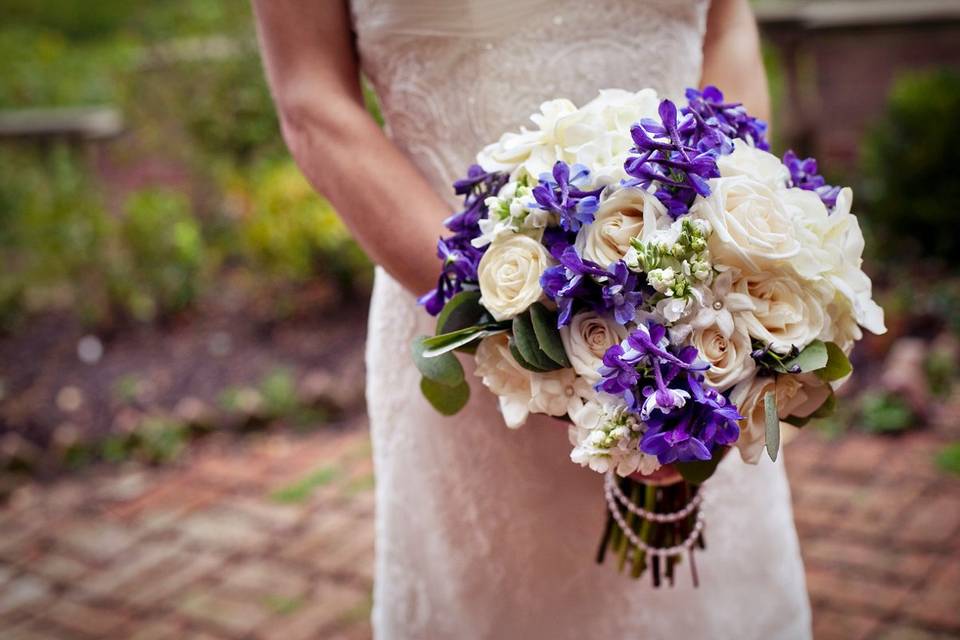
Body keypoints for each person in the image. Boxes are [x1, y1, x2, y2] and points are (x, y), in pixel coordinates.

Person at [253, 1, 811, 638]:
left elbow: (726, 26)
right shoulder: (499, 325)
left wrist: (726, 255)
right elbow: (313, 103)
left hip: (706, 328)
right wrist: (523, 330)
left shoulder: (710, 324)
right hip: (468, 331)